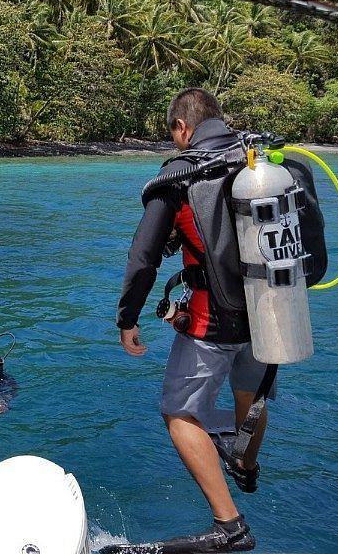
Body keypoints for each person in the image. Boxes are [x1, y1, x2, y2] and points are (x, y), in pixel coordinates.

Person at [111, 89, 270, 552]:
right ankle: (245, 466)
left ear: (182, 127)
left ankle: (230, 526)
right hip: (271, 315)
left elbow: (143, 258)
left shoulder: (180, 176)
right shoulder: (259, 162)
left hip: (212, 322)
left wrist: (127, 316)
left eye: (173, 134)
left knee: (179, 413)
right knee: (250, 396)